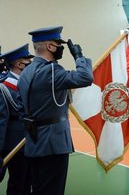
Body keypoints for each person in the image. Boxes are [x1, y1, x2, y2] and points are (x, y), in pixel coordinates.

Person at [17, 26, 93, 195]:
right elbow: (85, 78)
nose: (61, 47)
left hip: (33, 141)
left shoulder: (25, 72)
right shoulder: (51, 71)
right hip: (52, 143)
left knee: (38, 188)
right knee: (52, 190)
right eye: (59, 44)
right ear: (50, 46)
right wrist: (79, 57)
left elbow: (20, 106)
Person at [0, 44, 33, 194]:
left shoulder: (25, 83)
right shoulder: (5, 87)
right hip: (13, 145)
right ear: (20, 64)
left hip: (27, 143)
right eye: (28, 61)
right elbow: (1, 122)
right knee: (17, 185)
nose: (31, 65)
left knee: (26, 183)